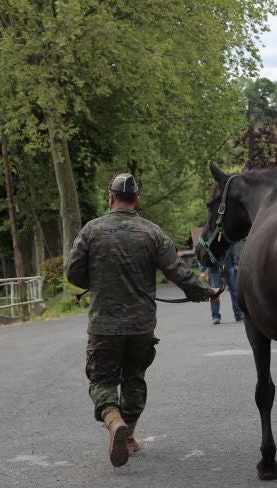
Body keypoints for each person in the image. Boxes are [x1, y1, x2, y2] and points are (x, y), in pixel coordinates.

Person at [67, 173, 218, 467]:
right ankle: (130, 435)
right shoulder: (153, 233)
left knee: (102, 379)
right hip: (141, 326)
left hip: (104, 325)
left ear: (110, 198)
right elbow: (177, 271)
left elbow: (72, 273)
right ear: (137, 200)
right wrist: (204, 293)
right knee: (134, 379)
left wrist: (99, 280)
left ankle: (113, 422)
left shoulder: (91, 231)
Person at [202, 239, 244, 325]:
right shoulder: (210, 237)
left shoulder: (226, 235)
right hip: (214, 268)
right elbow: (204, 252)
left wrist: (235, 264)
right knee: (214, 292)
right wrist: (203, 270)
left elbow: (231, 249)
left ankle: (239, 314)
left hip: (229, 266)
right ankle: (215, 316)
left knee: (235, 290)